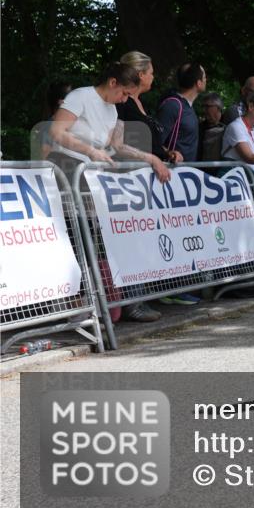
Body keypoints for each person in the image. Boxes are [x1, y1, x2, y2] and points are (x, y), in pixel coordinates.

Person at [48, 62, 172, 323]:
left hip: (92, 178)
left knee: (98, 238)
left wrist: (150, 157)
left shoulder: (114, 109)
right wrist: (90, 151)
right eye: (124, 93)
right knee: (79, 239)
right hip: (69, 173)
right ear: (113, 82)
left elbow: (117, 146)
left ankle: (102, 303)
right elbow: (56, 132)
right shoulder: (80, 96)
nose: (125, 99)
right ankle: (77, 304)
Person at [115, 51, 181, 166]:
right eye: (151, 73)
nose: (153, 77)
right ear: (141, 75)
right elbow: (118, 144)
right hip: (134, 170)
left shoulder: (140, 102)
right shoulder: (122, 103)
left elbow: (145, 141)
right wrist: (152, 159)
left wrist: (167, 152)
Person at [157, 62, 205, 164]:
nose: (206, 80)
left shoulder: (187, 107)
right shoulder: (172, 106)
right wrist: (169, 153)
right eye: (204, 77)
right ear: (199, 83)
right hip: (172, 171)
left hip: (185, 171)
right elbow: (155, 142)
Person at [39, 81, 71, 159]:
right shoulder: (49, 126)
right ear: (61, 102)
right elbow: (45, 156)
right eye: (71, 96)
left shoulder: (74, 123)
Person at [198, 93, 225, 161]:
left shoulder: (227, 129)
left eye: (207, 106)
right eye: (203, 106)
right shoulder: (197, 128)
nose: (204, 110)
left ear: (218, 108)